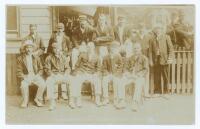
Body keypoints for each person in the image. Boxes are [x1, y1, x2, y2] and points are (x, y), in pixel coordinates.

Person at [70, 42, 102, 108]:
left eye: (91, 47)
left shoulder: (97, 56)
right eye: (88, 47)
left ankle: (97, 99)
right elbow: (76, 65)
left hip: (91, 74)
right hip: (82, 72)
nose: (90, 49)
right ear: (87, 48)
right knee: (77, 80)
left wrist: (97, 73)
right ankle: (78, 99)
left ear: (94, 48)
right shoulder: (82, 54)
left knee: (97, 80)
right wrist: (77, 72)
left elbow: (99, 68)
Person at [17, 40, 46, 108]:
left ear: (33, 49)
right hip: (26, 76)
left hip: (35, 76)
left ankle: (37, 99)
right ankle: (25, 101)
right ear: (24, 49)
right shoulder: (20, 58)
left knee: (43, 84)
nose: (29, 49)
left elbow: (41, 69)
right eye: (27, 47)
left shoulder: (36, 57)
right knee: (23, 85)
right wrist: (24, 77)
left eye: (30, 47)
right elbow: (19, 71)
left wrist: (38, 75)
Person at [47, 23, 72, 99]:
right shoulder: (53, 37)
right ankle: (55, 94)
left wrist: (67, 56)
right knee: (55, 72)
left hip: (63, 56)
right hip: (54, 56)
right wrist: (51, 56)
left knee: (63, 72)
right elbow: (49, 48)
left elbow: (70, 49)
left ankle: (64, 94)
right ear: (56, 29)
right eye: (58, 28)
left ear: (63, 29)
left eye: (61, 28)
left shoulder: (66, 38)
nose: (59, 30)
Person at [123, 43, 149, 111]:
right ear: (132, 49)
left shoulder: (144, 58)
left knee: (138, 83)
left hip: (139, 77)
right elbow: (126, 68)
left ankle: (135, 102)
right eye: (134, 48)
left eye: (137, 48)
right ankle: (121, 100)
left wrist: (138, 75)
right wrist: (128, 74)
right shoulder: (130, 58)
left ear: (140, 49)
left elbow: (145, 69)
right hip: (131, 76)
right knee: (122, 80)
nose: (136, 50)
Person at [45, 42, 71, 110]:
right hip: (54, 75)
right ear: (52, 50)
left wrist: (66, 73)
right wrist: (52, 74)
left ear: (60, 49)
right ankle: (52, 103)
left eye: (58, 48)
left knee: (72, 80)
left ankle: (71, 101)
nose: (56, 50)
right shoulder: (49, 58)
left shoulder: (64, 57)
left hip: (63, 75)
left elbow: (68, 68)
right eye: (54, 48)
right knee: (49, 81)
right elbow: (47, 69)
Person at [149, 23, 174, 94]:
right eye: (156, 29)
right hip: (156, 60)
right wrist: (150, 60)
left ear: (162, 30)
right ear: (155, 30)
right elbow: (150, 51)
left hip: (164, 60)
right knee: (156, 76)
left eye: (159, 28)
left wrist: (170, 58)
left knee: (165, 76)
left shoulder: (166, 37)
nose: (158, 30)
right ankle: (157, 91)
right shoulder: (152, 39)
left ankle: (166, 91)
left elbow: (171, 49)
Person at [109, 42, 125, 109]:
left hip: (117, 74)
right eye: (112, 48)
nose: (113, 49)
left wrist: (117, 73)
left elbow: (121, 66)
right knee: (115, 82)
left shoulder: (118, 56)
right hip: (110, 73)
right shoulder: (109, 56)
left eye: (115, 48)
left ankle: (120, 100)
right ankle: (116, 99)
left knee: (118, 82)